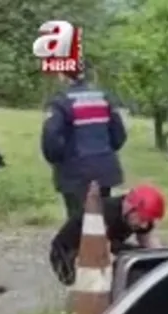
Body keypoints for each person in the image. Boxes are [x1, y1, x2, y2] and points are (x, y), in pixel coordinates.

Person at [41, 68, 127, 224]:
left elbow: (51, 135)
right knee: (100, 217)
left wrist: (57, 158)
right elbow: (119, 135)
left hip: (74, 170)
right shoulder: (104, 98)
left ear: (63, 76)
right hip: (104, 168)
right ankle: (100, 247)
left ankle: (78, 247)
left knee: (77, 221)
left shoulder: (61, 101)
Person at [48, 184, 165, 286]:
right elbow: (104, 248)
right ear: (130, 207)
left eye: (149, 220)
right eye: (143, 219)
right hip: (67, 253)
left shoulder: (136, 218)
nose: (144, 225)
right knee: (110, 272)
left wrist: (163, 260)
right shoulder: (105, 213)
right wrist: (138, 252)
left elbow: (149, 243)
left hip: (102, 248)